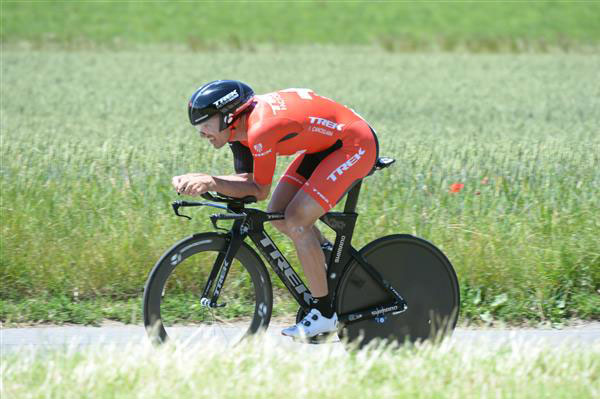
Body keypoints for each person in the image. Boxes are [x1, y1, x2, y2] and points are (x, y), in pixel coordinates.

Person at [172, 80, 379, 338]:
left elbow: (258, 189)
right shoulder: (239, 131)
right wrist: (204, 181)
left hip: (355, 144)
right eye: (198, 126)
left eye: (206, 124)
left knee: (297, 221)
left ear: (228, 116)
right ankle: (332, 260)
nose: (202, 132)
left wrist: (211, 181)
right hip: (326, 146)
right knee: (280, 215)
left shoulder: (260, 129)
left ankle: (325, 314)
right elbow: (246, 181)